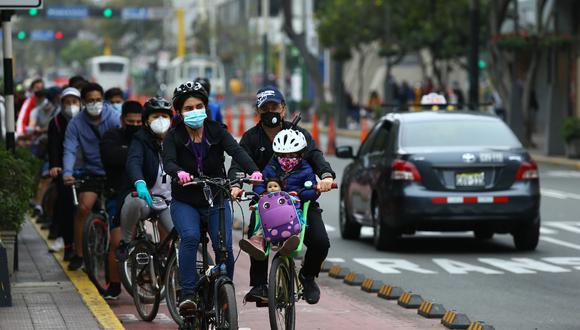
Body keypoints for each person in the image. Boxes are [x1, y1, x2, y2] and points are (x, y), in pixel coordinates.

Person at [229, 86, 336, 305]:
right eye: (264, 108)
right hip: (267, 201)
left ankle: (307, 277)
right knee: (255, 234)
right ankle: (259, 285)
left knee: (320, 242)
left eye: (274, 107)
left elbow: (316, 157)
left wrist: (325, 177)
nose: (270, 111)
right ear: (258, 112)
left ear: (283, 109)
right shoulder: (250, 138)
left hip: (301, 200)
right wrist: (236, 185)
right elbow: (238, 165)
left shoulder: (300, 134)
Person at [162, 81, 261, 314]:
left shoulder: (217, 130)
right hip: (185, 201)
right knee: (189, 237)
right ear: (179, 112)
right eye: (188, 108)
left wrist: (254, 170)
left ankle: (223, 291)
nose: (194, 111)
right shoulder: (173, 136)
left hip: (217, 198)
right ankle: (187, 294)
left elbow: (237, 151)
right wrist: (179, 173)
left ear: (206, 107)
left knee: (224, 246)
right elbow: (168, 162)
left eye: (199, 106)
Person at [62, 82, 121, 271]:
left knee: (125, 213)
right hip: (92, 172)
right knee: (83, 208)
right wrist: (67, 172)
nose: (95, 104)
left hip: (114, 171)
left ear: (103, 100)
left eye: (98, 100)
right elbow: (70, 149)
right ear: (83, 102)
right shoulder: (76, 123)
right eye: (90, 101)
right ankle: (79, 254)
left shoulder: (114, 117)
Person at [240, 128, 319, 260]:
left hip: (293, 209)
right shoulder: (271, 167)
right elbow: (259, 183)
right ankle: (258, 242)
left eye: (292, 155)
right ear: (276, 154)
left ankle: (290, 242)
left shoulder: (306, 169)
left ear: (301, 154)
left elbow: (313, 191)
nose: (287, 159)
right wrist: (263, 193)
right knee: (262, 221)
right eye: (282, 155)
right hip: (272, 209)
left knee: (298, 222)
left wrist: (300, 194)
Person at [116, 97, 175, 264]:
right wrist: (139, 182)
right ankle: (126, 243)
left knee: (182, 236)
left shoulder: (176, 139)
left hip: (169, 201)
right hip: (146, 198)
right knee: (134, 201)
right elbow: (133, 161)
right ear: (146, 121)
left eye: (165, 116)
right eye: (155, 116)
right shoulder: (139, 139)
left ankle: (169, 269)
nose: (161, 121)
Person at [99, 100, 143, 299]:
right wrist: (134, 155)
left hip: (144, 194)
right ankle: (114, 285)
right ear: (122, 119)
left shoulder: (146, 138)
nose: (135, 125)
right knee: (117, 243)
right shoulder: (111, 137)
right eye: (130, 121)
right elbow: (111, 157)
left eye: (138, 122)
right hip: (117, 195)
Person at [47, 87, 82, 260]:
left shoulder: (86, 121)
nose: (71, 106)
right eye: (67, 102)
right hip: (64, 170)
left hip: (86, 169)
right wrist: (55, 165)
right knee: (66, 208)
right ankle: (69, 246)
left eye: (74, 102)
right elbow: (53, 146)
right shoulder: (56, 122)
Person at [28, 87, 61, 219]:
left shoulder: (55, 109)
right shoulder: (52, 110)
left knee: (45, 177)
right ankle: (39, 204)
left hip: (48, 146)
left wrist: (39, 130)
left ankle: (39, 204)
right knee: (46, 176)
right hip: (47, 147)